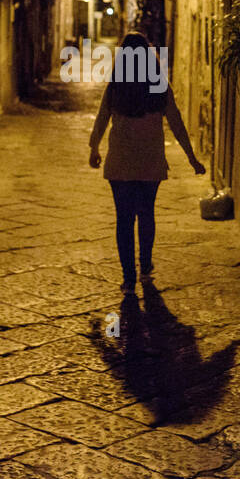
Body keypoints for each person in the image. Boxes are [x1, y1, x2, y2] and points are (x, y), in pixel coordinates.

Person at [89, 31, 205, 292]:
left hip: (120, 161)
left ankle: (128, 278)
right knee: (146, 213)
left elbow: (101, 119)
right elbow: (177, 123)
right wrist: (191, 158)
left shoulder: (116, 86)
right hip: (150, 161)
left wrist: (94, 148)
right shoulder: (159, 86)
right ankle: (145, 267)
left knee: (124, 219)